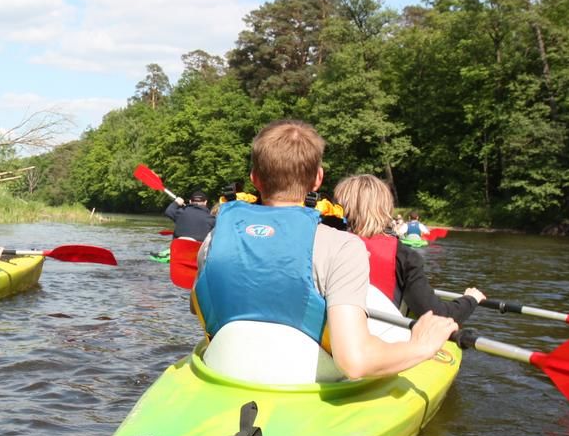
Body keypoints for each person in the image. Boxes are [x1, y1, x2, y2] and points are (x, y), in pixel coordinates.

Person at [192, 120, 457, 384]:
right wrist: (421, 345)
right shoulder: (344, 247)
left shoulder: (213, 239)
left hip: (223, 366)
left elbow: (198, 307)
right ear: (318, 178)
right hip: (305, 380)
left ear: (254, 179)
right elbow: (354, 362)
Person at [333, 174, 484, 323]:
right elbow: (437, 315)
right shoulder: (404, 256)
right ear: (385, 208)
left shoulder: (324, 243)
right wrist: (470, 299)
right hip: (377, 338)